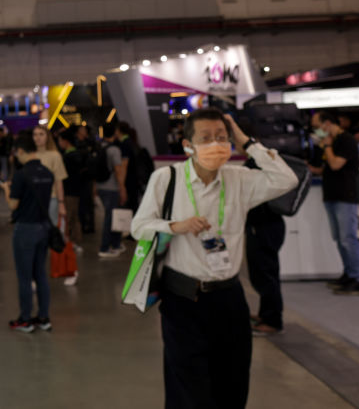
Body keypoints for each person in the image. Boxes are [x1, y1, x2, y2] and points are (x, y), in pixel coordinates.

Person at [131, 108, 297, 409]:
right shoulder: (166, 178)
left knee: (233, 384)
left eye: (222, 137)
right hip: (182, 298)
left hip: (229, 298)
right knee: (189, 390)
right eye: (206, 138)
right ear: (187, 145)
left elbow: (287, 180)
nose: (215, 144)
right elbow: (138, 227)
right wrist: (175, 227)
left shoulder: (240, 179)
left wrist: (246, 141)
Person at [2, 130, 56, 333]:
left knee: (25, 277)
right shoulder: (47, 173)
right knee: (41, 274)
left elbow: (13, 206)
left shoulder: (21, 175)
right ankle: (43, 317)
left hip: (25, 229)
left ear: (22, 151)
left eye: (17, 153)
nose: (16, 156)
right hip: (44, 228)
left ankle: (25, 319)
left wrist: (7, 191)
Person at [308, 111, 359, 295]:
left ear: (327, 123)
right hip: (331, 194)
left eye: (317, 126)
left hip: (345, 195)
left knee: (348, 238)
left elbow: (335, 165)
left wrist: (327, 146)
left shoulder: (345, 140)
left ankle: (358, 278)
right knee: (339, 239)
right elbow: (326, 169)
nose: (316, 130)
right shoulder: (332, 142)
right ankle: (348, 274)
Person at [245, 199, 286, 336]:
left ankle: (273, 321)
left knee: (264, 274)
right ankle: (266, 314)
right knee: (263, 272)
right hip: (261, 225)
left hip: (265, 226)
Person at [59, 129, 89, 285]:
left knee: (69, 217)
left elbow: (63, 177)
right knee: (75, 216)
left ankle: (72, 242)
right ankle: (77, 241)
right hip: (78, 190)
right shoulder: (78, 154)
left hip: (69, 191)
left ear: (66, 141)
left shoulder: (67, 157)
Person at [97, 122, 127, 258]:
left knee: (112, 216)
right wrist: (122, 188)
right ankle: (104, 247)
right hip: (112, 187)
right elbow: (118, 169)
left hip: (101, 186)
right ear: (114, 133)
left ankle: (115, 244)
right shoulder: (115, 150)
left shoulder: (100, 147)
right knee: (110, 218)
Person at [32, 124, 67, 226]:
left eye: (41, 134)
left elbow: (59, 180)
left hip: (51, 198)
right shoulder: (30, 155)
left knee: (51, 227)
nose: (37, 137)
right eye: (35, 134)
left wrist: (61, 203)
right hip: (34, 198)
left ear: (47, 136)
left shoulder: (55, 156)